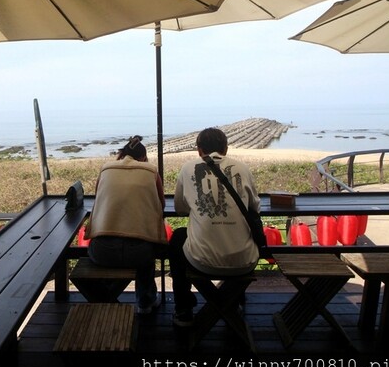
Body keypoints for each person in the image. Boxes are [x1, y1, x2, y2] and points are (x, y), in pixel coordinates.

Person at [169, 127, 260, 326]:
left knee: (178, 238)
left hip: (200, 260)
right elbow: (255, 207)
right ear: (225, 148)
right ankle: (234, 300)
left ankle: (183, 309)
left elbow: (180, 209)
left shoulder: (188, 168)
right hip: (244, 261)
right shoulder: (242, 168)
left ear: (199, 149)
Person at [85, 135, 167, 313]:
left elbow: (99, 196)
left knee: (105, 249)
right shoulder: (151, 171)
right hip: (139, 255)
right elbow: (161, 206)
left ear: (122, 154)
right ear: (144, 157)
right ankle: (145, 302)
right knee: (147, 250)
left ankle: (106, 297)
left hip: (102, 253)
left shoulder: (106, 169)